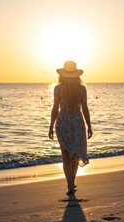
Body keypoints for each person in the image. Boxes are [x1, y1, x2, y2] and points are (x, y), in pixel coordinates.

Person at [48, 60, 93, 195]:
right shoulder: (81, 89)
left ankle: (70, 185)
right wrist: (89, 126)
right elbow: (85, 108)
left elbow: (55, 108)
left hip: (63, 123)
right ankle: (72, 183)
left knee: (65, 156)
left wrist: (51, 126)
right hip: (77, 124)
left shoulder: (58, 88)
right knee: (75, 156)